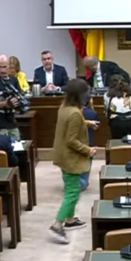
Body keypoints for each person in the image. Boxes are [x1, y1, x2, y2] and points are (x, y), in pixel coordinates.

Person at [50, 79, 97, 244]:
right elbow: (72, 140)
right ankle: (58, 223)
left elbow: (71, 124)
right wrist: (88, 150)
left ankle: (70, 220)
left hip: (62, 155)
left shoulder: (64, 107)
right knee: (73, 192)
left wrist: (87, 123)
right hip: (71, 157)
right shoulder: (76, 113)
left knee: (71, 187)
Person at [0, 54, 24, 141]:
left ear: (9, 66)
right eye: (0, 67)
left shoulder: (14, 80)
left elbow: (20, 96)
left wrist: (17, 102)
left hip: (12, 122)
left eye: (4, 67)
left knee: (17, 146)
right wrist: (4, 104)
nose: (2, 70)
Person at [78, 98, 99, 191]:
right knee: (84, 180)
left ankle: (72, 181)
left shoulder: (70, 113)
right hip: (88, 144)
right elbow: (97, 127)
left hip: (76, 145)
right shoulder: (92, 113)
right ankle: (77, 183)